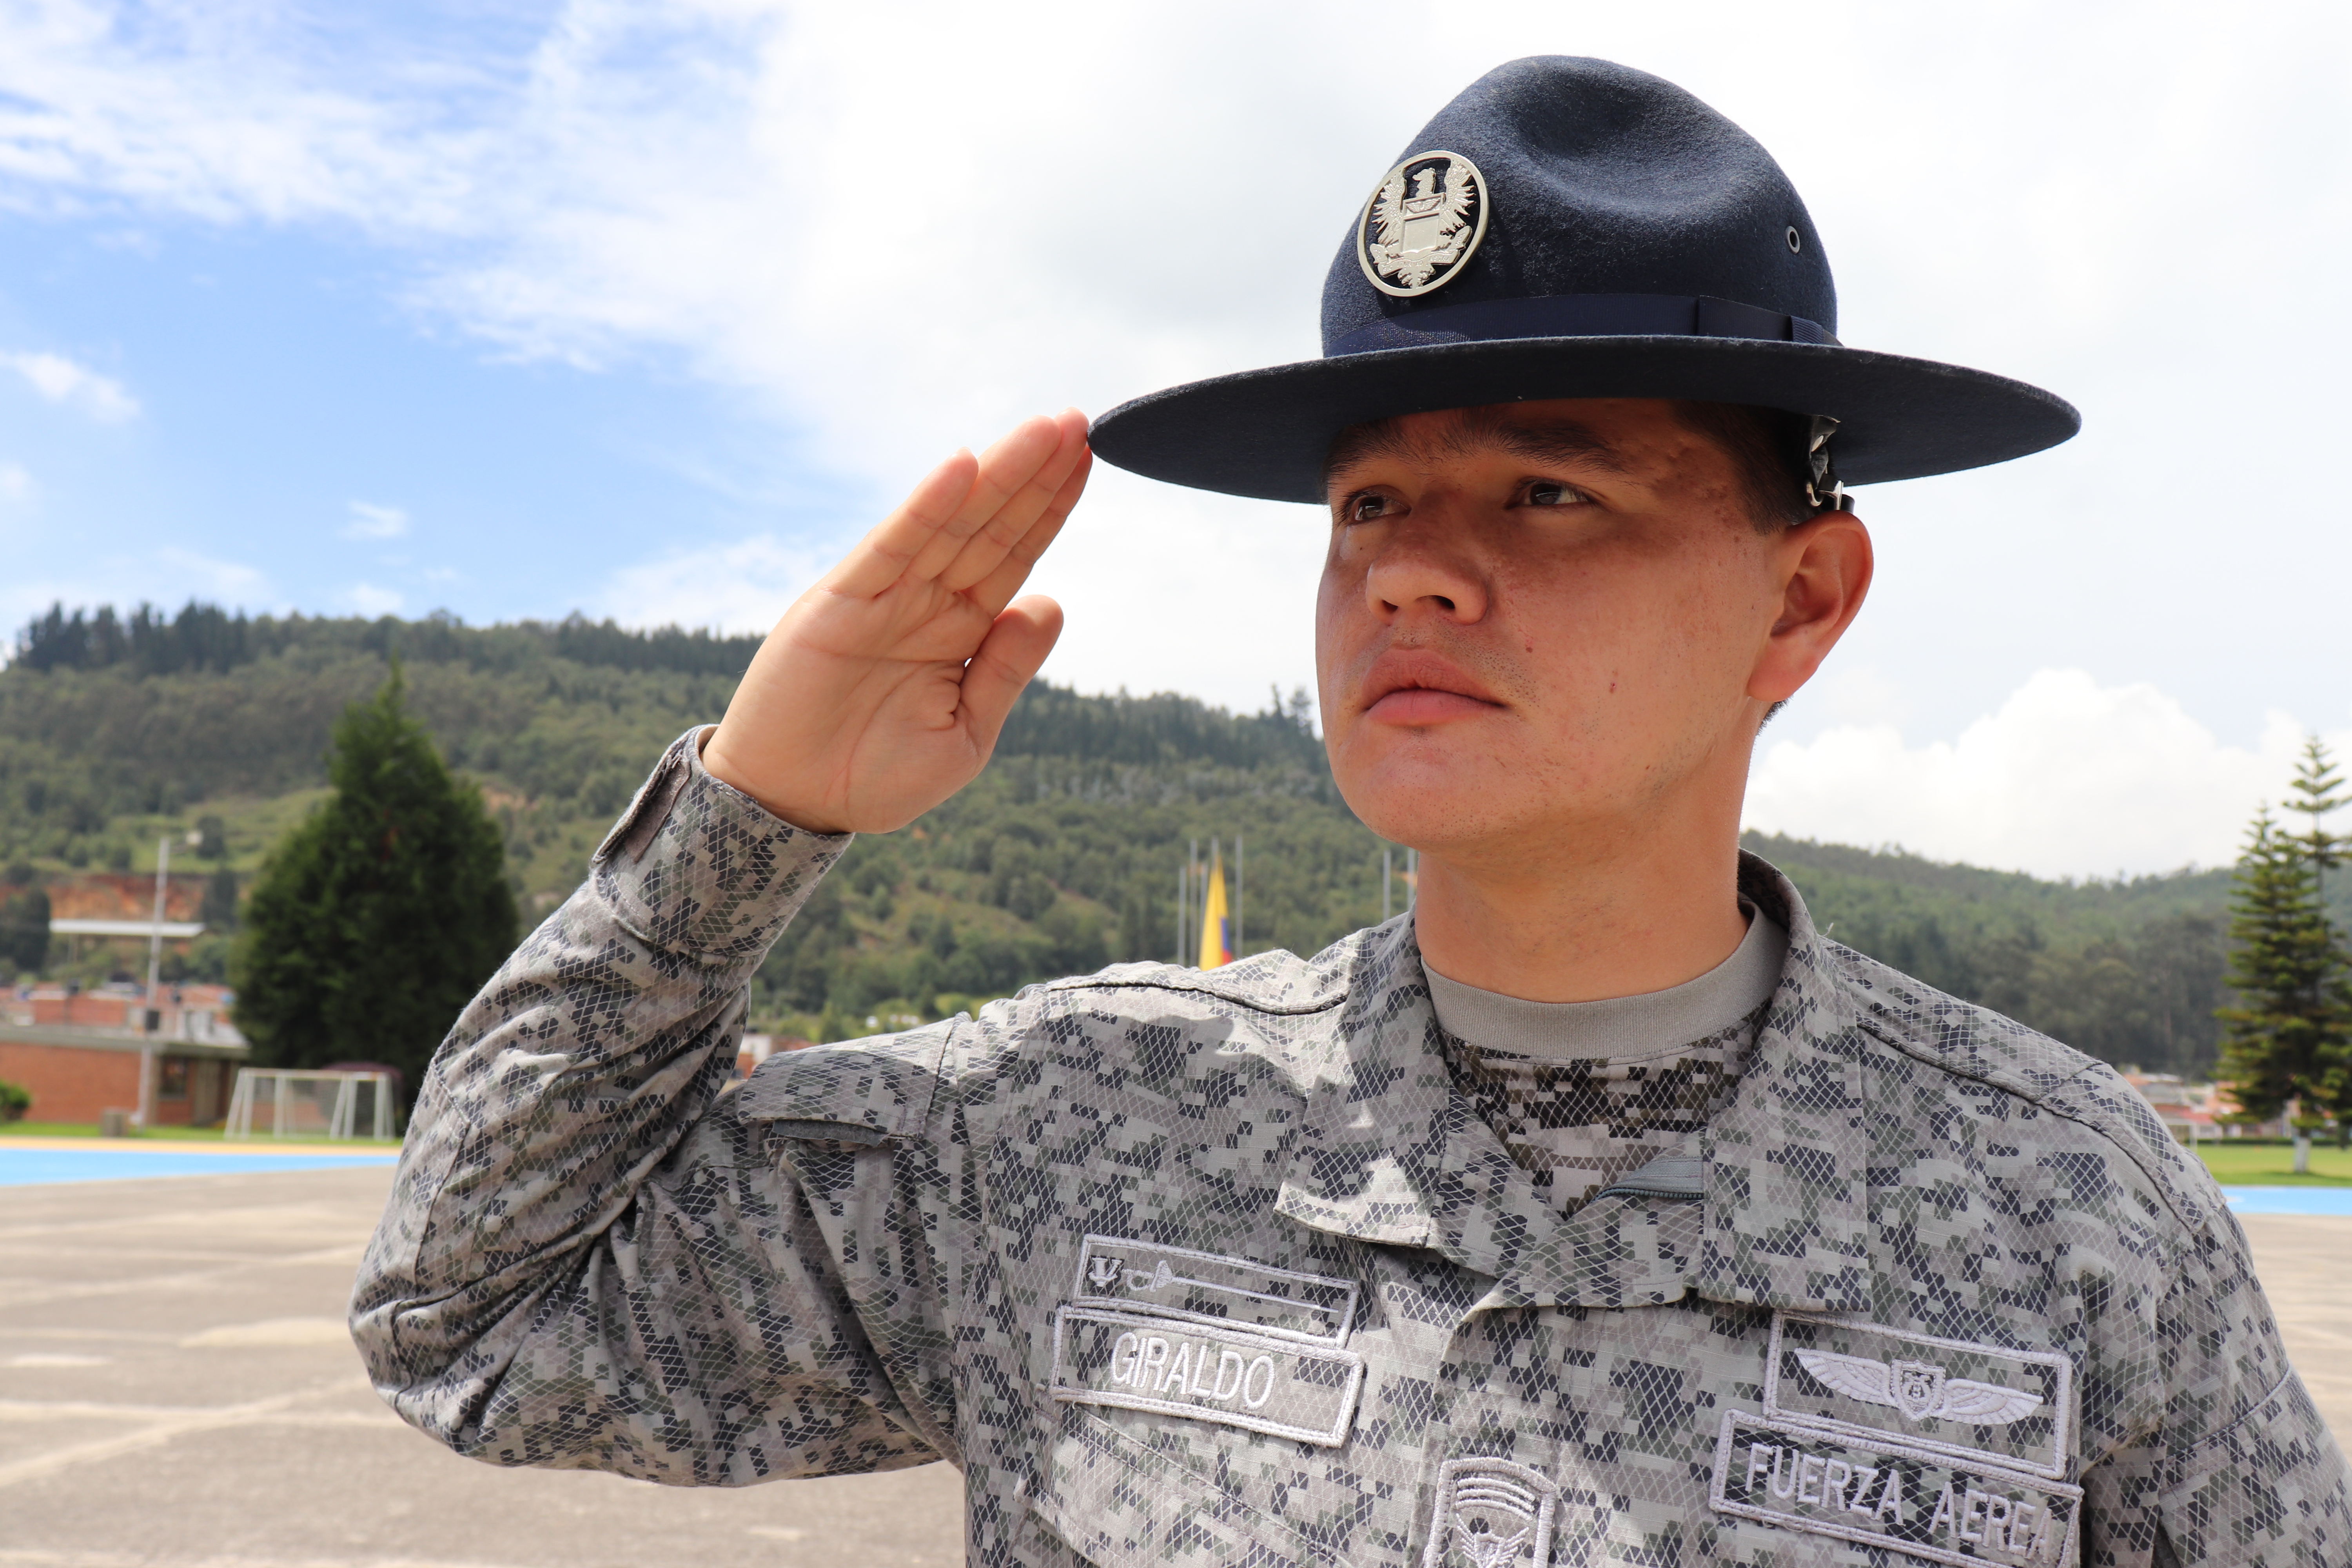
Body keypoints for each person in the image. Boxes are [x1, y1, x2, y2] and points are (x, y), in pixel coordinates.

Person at [352, 56, 2350, 1568]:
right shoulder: (1071, 1124)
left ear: (1801, 597)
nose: (1410, 572)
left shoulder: (2073, 1213)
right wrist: (750, 817)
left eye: (1548, 490)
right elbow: (479, 1316)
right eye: (1371, 506)